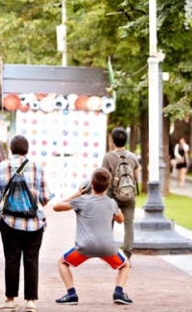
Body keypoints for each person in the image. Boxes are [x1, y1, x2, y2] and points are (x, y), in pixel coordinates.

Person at [0, 135, 51, 312]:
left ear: (11, 150)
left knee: (11, 259)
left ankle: (10, 300)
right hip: (34, 223)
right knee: (32, 259)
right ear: (27, 149)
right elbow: (45, 199)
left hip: (9, 221)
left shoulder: (2, 167)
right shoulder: (38, 167)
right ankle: (30, 301)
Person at [53, 168, 133, 306]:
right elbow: (121, 220)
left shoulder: (81, 200)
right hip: (107, 247)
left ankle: (71, 294)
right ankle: (119, 292)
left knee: (62, 262)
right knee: (125, 265)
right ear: (107, 186)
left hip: (85, 246)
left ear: (91, 183)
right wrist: (114, 211)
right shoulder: (111, 203)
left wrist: (75, 195)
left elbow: (56, 207)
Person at [101, 127, 140, 259]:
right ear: (126, 140)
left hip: (112, 196)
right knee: (129, 224)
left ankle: (110, 253)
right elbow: (136, 178)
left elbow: (104, 177)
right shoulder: (133, 157)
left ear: (113, 140)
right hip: (129, 195)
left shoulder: (108, 157)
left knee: (109, 223)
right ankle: (127, 254)